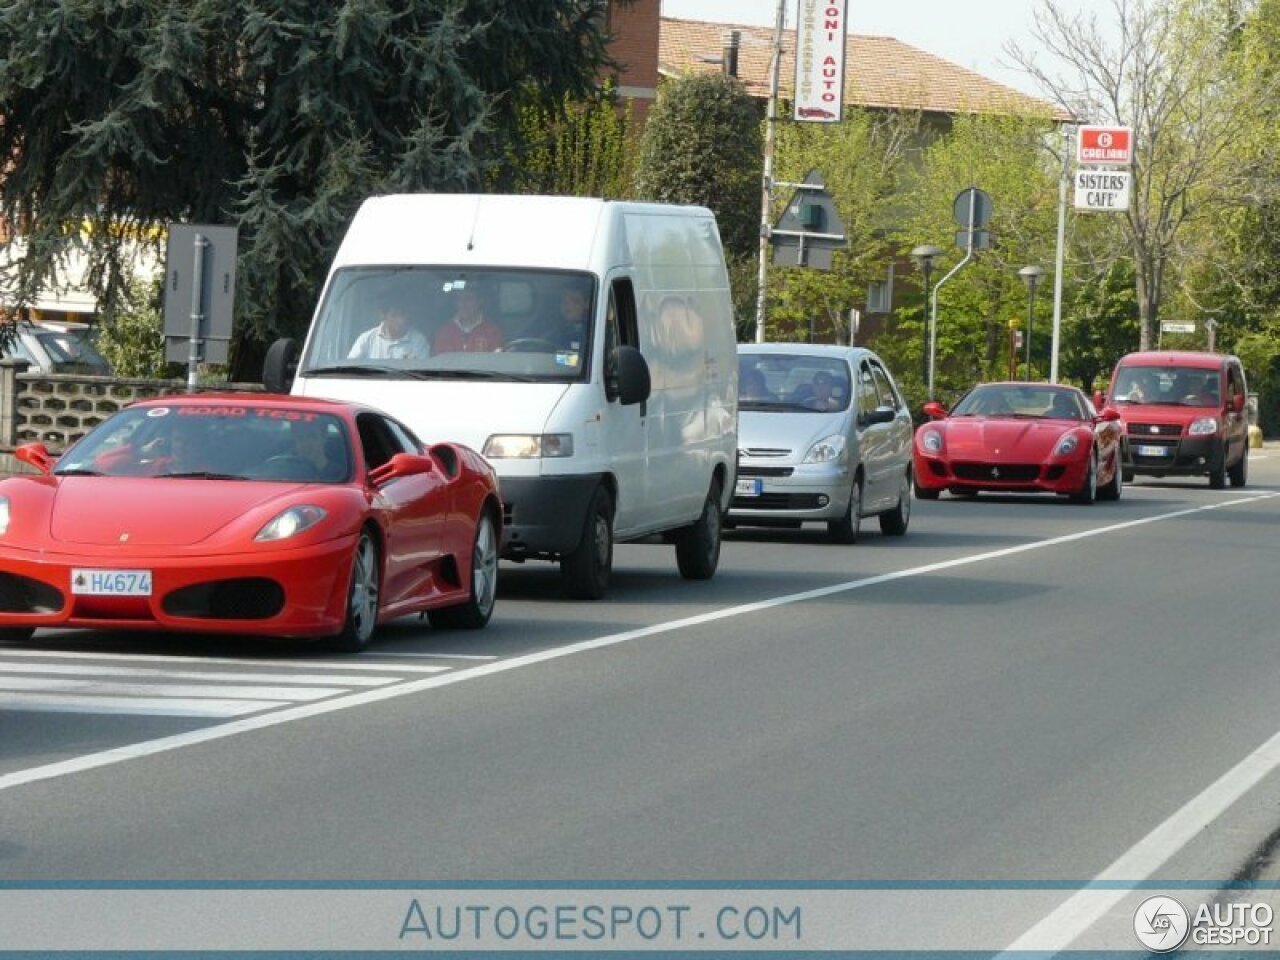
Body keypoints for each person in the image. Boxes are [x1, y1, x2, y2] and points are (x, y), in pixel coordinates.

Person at [348, 294, 430, 361]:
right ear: (382, 315)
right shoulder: (366, 340)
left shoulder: (418, 341)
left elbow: (423, 376)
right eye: (395, 315)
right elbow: (350, 371)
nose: (402, 320)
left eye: (403, 314)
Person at [433, 284, 505, 354]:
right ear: (455, 303)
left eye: (468, 298)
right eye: (459, 299)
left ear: (480, 301)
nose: (463, 303)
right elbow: (438, 362)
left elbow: (495, 361)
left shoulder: (492, 331)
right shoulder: (445, 331)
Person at [551, 282, 591, 350]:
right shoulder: (552, 326)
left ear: (586, 304)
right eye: (564, 300)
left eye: (575, 301)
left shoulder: (591, 330)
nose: (568, 305)